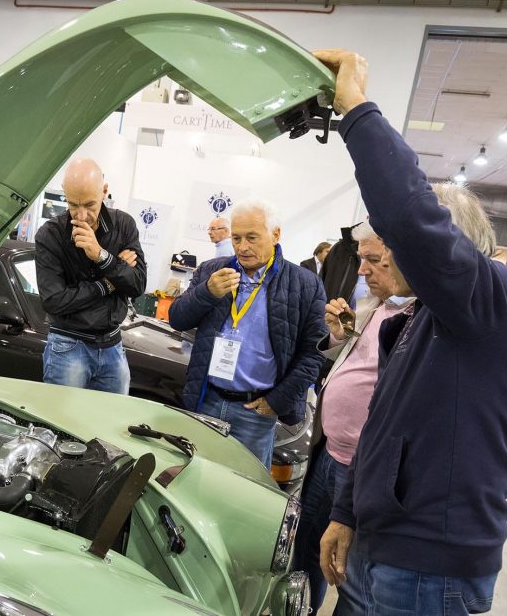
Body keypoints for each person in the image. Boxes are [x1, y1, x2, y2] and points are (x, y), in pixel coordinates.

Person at [313, 49, 507, 615]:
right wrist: (347, 512)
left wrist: (356, 110)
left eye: (393, 250)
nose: (378, 264)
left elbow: (408, 214)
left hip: (429, 568)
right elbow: (382, 424)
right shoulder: (420, 318)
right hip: (383, 544)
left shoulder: (502, 304)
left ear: (447, 249)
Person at [292, 221, 413, 613]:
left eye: (373, 260)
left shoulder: (420, 320)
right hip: (329, 452)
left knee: (351, 574)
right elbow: (354, 362)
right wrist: (339, 335)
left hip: (363, 468)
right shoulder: (378, 304)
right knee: (307, 552)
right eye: (361, 260)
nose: (362, 271)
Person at [168, 198, 327, 466]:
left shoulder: (304, 285)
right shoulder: (212, 271)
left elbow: (314, 352)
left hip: (255, 413)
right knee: (196, 476)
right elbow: (177, 319)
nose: (242, 247)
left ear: (275, 234)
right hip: (206, 400)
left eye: (252, 238)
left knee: (244, 484)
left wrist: (278, 401)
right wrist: (206, 293)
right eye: (236, 238)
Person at [35, 158, 146, 394]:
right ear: (64, 193)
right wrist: (109, 282)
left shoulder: (124, 225)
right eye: (73, 205)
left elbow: (137, 284)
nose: (82, 215)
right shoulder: (50, 235)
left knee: (112, 417)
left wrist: (102, 257)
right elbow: (53, 300)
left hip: (113, 345)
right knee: (62, 417)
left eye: (89, 204)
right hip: (67, 345)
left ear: (104, 191)